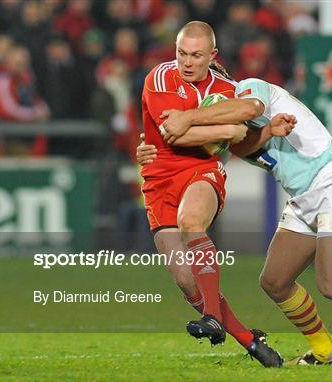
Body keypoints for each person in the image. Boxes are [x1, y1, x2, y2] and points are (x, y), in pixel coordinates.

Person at [139, 77, 332, 365]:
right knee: (274, 281)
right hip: (303, 196)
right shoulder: (226, 124)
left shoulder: (248, 88)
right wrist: (149, 149)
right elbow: (236, 146)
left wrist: (191, 118)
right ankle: (325, 350)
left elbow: (250, 107)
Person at [140, 20, 284, 367]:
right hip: (159, 177)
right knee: (186, 280)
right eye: (181, 54)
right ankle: (249, 339)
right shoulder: (159, 78)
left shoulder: (225, 86)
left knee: (192, 222)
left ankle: (214, 320)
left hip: (200, 170)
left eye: (196, 55)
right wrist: (227, 128)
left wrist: (243, 131)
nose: (186, 62)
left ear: (212, 55)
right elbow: (176, 136)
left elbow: (252, 112)